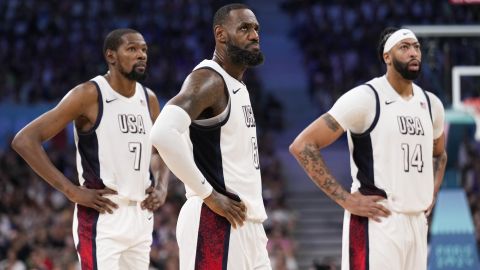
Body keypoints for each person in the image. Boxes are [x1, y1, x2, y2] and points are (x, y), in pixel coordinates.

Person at [289, 27, 448, 270]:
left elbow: (439, 154)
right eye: (404, 48)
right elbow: (303, 145)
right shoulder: (365, 98)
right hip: (378, 220)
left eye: (416, 47)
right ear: (387, 56)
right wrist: (345, 200)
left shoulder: (431, 104)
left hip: (417, 222)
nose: (414, 53)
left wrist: (432, 191)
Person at [11, 28, 170, 270]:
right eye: (132, 49)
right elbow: (25, 140)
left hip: (141, 215)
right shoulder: (89, 94)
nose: (141, 55)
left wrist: (161, 185)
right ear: (111, 56)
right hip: (102, 216)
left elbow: (159, 150)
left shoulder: (149, 99)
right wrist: (71, 192)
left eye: (144, 50)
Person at [150, 3, 271, 270]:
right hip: (215, 222)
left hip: (247, 224)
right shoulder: (209, 79)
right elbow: (161, 133)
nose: (254, 35)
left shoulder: (236, 84)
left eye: (256, 29)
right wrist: (208, 194)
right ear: (221, 34)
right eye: (244, 28)